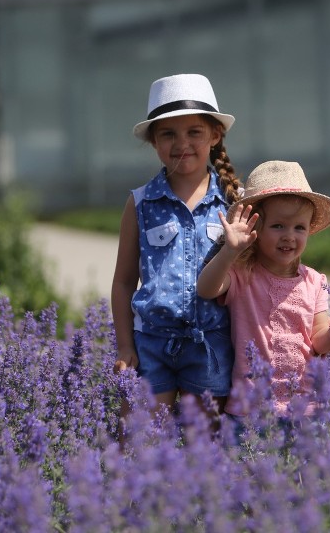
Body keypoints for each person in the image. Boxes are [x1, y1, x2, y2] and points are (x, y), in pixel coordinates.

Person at [112, 73, 241, 420]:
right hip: (150, 343)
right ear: (154, 140)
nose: (181, 143)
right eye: (168, 133)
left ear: (214, 135)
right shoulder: (140, 203)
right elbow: (124, 281)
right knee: (138, 444)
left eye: (194, 132)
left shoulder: (232, 202)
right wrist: (125, 346)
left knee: (207, 452)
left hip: (211, 344)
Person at [197, 160, 330, 420]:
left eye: (299, 228)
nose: (289, 236)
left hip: (305, 408)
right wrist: (229, 251)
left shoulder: (314, 281)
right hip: (252, 410)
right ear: (255, 229)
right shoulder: (243, 275)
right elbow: (206, 289)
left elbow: (318, 340)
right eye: (278, 226)